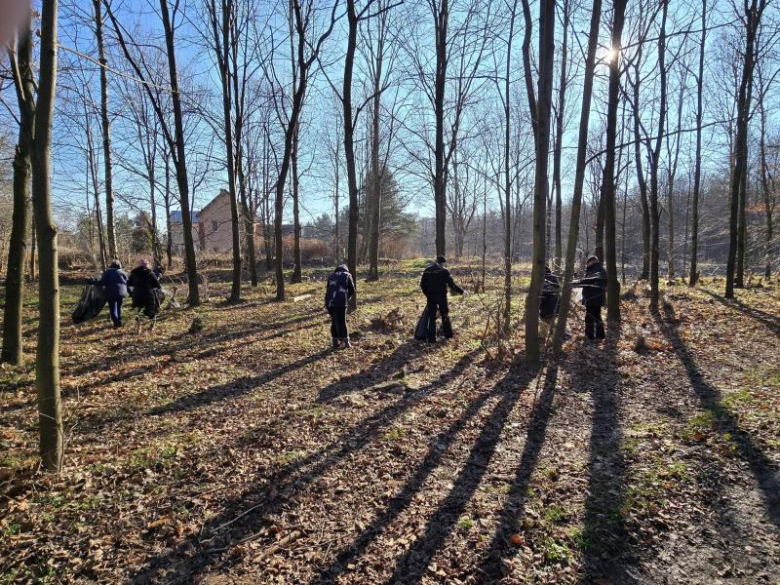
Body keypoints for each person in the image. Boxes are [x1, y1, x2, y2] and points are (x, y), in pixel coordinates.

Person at [420, 255, 466, 343]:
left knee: (432, 317)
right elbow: (451, 285)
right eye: (444, 263)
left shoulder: (427, 270)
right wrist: (462, 292)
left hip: (431, 297)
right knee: (445, 315)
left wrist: (427, 294)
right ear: (442, 263)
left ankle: (431, 339)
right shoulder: (444, 271)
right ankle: (448, 335)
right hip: (442, 297)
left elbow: (422, 285)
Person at [575, 255, 608, 340]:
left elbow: (586, 282)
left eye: (588, 263)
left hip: (592, 299)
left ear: (592, 262)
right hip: (598, 298)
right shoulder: (601, 270)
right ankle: (600, 335)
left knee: (589, 318)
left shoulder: (594, 270)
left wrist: (575, 283)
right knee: (597, 316)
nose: (587, 265)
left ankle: (590, 337)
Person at [324, 264, 356, 349]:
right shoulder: (347, 275)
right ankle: (346, 342)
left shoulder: (331, 276)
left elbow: (328, 289)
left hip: (329, 302)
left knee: (334, 321)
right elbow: (352, 290)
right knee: (342, 321)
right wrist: (347, 298)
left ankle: (335, 342)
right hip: (341, 301)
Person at [90, 260, 128, 328]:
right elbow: (127, 282)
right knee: (119, 308)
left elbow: (102, 283)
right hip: (122, 293)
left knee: (113, 309)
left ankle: (116, 323)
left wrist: (93, 282)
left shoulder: (108, 272)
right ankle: (119, 322)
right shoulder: (123, 273)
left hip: (111, 293)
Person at [128, 259, 162, 333]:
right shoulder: (150, 273)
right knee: (151, 311)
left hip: (137, 295)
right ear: (147, 265)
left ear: (139, 265)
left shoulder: (133, 273)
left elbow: (129, 284)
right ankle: (151, 327)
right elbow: (157, 285)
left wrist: (132, 293)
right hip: (148, 295)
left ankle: (138, 329)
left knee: (137, 312)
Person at [539, 265, 560, 340]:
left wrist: (539, 306)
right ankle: (553, 339)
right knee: (552, 321)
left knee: (544, 321)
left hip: (547, 307)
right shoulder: (555, 278)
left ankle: (543, 338)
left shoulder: (544, 280)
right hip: (556, 306)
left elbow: (543, 296)